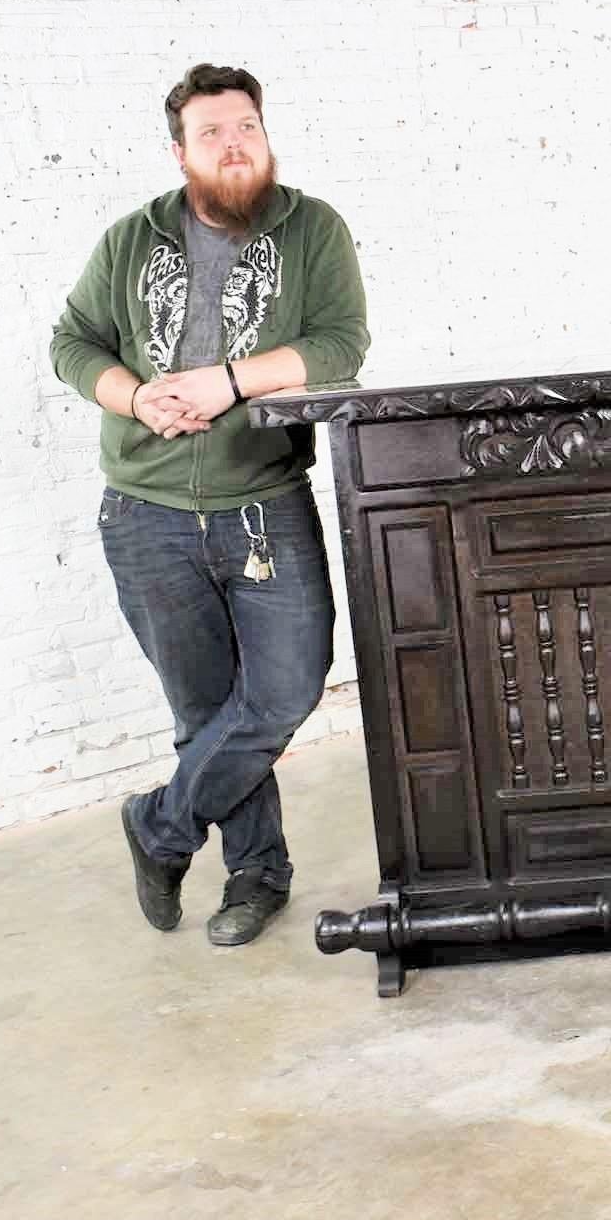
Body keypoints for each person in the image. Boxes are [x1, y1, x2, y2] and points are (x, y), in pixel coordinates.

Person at [50, 62, 370, 946]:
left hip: (263, 503)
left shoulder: (313, 230)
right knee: (204, 713)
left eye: (247, 128)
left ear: (265, 134)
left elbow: (340, 346)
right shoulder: (129, 239)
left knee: (283, 691)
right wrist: (133, 395)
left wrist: (229, 381)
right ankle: (256, 878)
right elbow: (72, 341)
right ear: (180, 150)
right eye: (213, 133)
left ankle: (159, 826)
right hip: (144, 515)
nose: (235, 145)